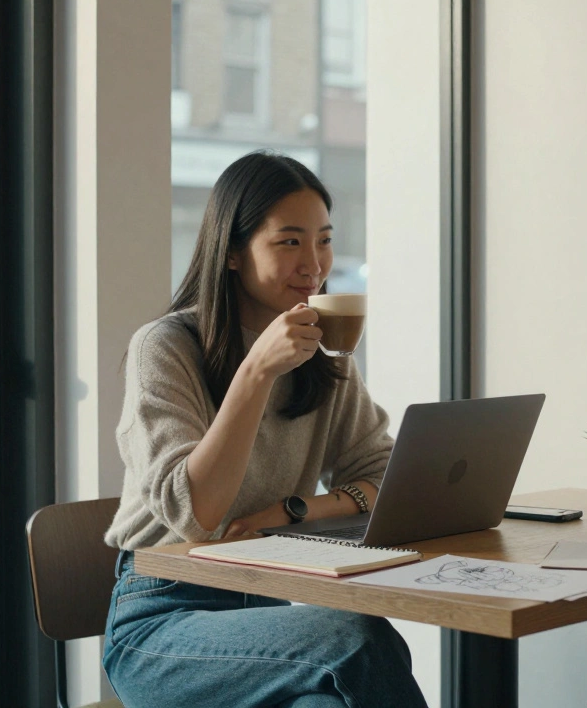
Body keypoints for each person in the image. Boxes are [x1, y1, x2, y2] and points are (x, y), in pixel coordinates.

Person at [101, 151, 427, 708]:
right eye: (290, 242)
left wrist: (293, 511)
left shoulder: (325, 354)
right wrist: (256, 372)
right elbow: (197, 514)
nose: (314, 264)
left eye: (324, 240)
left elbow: (381, 474)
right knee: (357, 637)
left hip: (265, 607)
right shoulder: (164, 348)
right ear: (231, 252)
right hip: (161, 622)